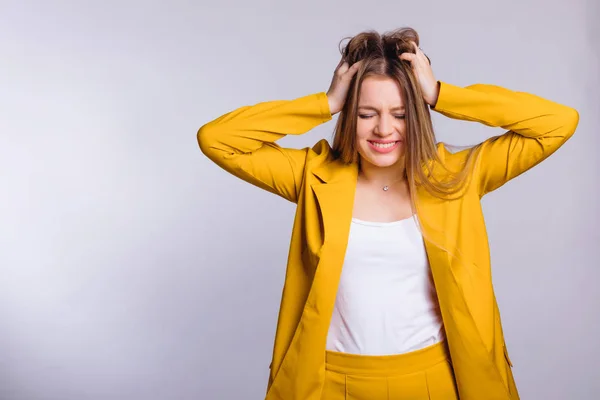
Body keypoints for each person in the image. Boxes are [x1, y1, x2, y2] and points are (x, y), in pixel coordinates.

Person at [197, 27, 579, 400]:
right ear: (350, 116)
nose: (384, 129)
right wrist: (326, 102)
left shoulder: (457, 176)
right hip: (330, 383)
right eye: (366, 114)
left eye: (400, 113)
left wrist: (438, 93)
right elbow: (218, 140)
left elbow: (555, 124)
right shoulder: (313, 177)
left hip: (437, 380)